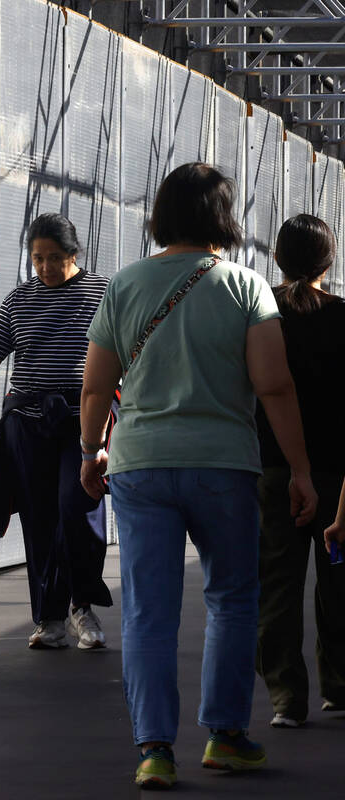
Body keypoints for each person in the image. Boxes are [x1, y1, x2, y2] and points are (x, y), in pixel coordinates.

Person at [79, 162, 317, 790]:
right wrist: (299, 470)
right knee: (233, 601)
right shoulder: (246, 287)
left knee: (148, 613)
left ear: (160, 214)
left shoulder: (124, 285)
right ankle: (226, 736)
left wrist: (88, 452)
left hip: (140, 466)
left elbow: (96, 386)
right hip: (224, 466)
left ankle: (154, 749)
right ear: (223, 216)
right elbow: (274, 385)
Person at [0, 213, 113, 650]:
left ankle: (83, 605)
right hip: (27, 417)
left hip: (84, 415)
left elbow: (125, 347)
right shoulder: (19, 300)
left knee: (78, 504)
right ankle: (49, 618)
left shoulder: (102, 292)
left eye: (55, 259)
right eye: (38, 259)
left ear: (74, 255)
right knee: (40, 517)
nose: (45, 268)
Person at [254, 214, 345, 727]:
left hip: (272, 467)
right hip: (337, 474)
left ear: (277, 259)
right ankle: (339, 685)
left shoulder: (261, 312)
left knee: (278, 584)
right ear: (328, 261)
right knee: (338, 582)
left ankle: (287, 699)